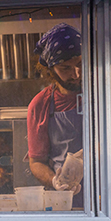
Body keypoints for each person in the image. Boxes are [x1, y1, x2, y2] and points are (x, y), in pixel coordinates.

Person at [27, 23, 83, 207]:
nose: (76, 74)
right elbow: (36, 162)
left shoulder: (104, 93)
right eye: (65, 68)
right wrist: (55, 181)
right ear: (51, 70)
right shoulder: (40, 105)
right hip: (67, 200)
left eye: (80, 64)